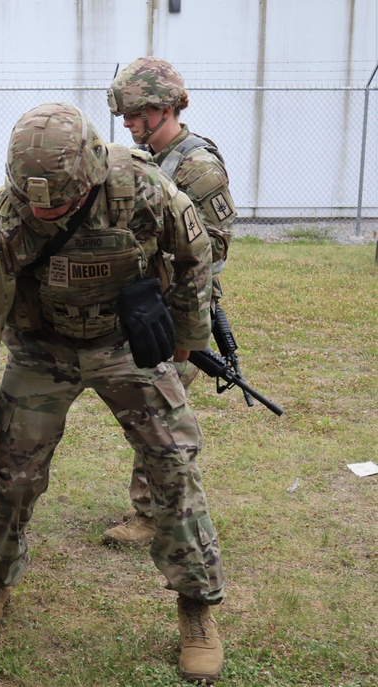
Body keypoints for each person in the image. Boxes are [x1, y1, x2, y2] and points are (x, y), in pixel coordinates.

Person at [0, 103, 224, 683]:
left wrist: (187, 334)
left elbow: (195, 251)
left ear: (91, 172)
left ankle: (196, 606)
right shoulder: (4, 218)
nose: (46, 210)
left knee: (174, 462)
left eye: (61, 201)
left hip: (124, 343)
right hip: (41, 348)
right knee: (11, 469)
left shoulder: (143, 188)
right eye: (38, 202)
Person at [103, 56, 237, 548]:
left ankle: (150, 515)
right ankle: (153, 505)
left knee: (159, 415)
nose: (127, 122)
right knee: (148, 410)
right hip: (143, 307)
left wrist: (187, 328)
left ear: (163, 108)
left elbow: (212, 251)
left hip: (174, 309)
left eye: (135, 112)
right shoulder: (147, 160)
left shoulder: (197, 166)